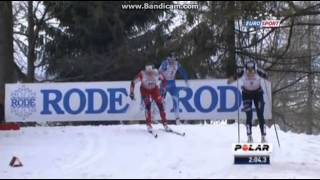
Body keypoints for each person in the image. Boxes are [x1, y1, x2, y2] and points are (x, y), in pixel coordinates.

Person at [228, 61, 268, 143]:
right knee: (249, 115)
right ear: (245, 70)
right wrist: (233, 78)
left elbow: (267, 77)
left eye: (252, 71)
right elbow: (230, 81)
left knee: (260, 114)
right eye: (248, 71)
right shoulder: (242, 73)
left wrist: (265, 76)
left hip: (258, 93)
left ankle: (263, 136)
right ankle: (249, 136)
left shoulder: (258, 72)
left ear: (255, 69)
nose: (250, 73)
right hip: (246, 94)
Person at [130, 65, 171, 132]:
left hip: (154, 89)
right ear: (145, 70)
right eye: (147, 72)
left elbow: (164, 80)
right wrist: (131, 92)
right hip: (144, 90)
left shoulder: (157, 73)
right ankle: (148, 124)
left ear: (153, 70)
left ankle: (165, 123)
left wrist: (164, 89)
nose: (149, 73)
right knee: (148, 105)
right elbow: (133, 82)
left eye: (150, 71)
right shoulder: (142, 74)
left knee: (160, 105)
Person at [159, 52, 189, 124]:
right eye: (171, 58)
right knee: (161, 101)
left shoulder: (176, 64)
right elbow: (158, 72)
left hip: (172, 84)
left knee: (176, 99)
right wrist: (161, 80)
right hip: (164, 84)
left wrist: (186, 80)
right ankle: (157, 117)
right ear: (168, 58)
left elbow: (183, 72)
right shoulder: (165, 63)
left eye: (174, 58)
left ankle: (177, 119)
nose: (173, 60)